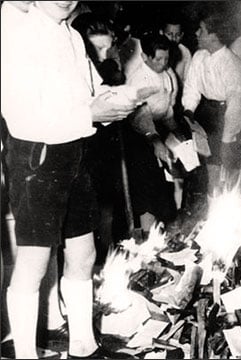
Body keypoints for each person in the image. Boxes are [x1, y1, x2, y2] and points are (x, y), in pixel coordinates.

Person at [0, 1, 137, 358]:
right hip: (37, 156)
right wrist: (90, 113)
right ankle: (26, 354)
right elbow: (22, 119)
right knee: (34, 261)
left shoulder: (74, 37)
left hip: (76, 152)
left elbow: (89, 97)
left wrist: (121, 101)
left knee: (84, 251)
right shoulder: (16, 33)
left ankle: (83, 345)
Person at [182, 13, 241, 194]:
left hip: (228, 118)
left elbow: (235, 108)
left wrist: (226, 142)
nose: (196, 33)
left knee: (226, 170)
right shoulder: (199, 56)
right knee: (204, 169)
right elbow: (191, 88)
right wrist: (189, 112)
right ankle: (206, 210)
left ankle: (227, 211)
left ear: (213, 36)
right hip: (205, 114)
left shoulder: (234, 66)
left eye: (201, 30)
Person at [121, 33, 180, 234]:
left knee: (165, 184)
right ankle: (148, 236)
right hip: (141, 135)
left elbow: (168, 106)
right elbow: (140, 116)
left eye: (166, 58)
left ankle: (163, 232)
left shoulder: (167, 73)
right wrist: (154, 140)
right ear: (145, 57)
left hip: (160, 129)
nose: (163, 63)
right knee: (145, 187)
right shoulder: (138, 78)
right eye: (158, 59)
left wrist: (176, 131)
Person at [160, 15, 192, 86]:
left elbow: (188, 81)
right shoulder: (154, 50)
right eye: (169, 34)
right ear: (161, 33)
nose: (173, 39)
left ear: (182, 35)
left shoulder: (185, 52)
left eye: (177, 35)